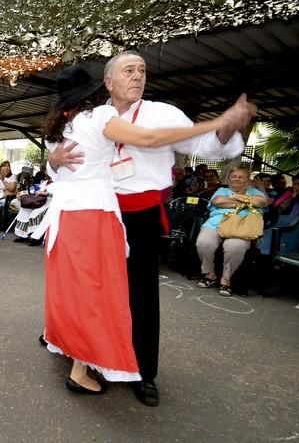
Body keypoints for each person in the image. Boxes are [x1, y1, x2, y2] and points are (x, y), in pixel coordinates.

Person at [47, 53, 254, 406]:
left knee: (140, 294)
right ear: (108, 82)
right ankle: (82, 350)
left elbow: (205, 147)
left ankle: (143, 372)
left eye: (142, 70)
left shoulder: (163, 113)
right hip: (95, 211)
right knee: (90, 291)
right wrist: (52, 159)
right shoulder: (90, 116)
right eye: (129, 70)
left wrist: (225, 125)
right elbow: (57, 158)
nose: (138, 76)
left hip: (138, 213)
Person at [195, 166, 268, 296]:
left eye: (241, 177)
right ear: (229, 178)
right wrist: (247, 202)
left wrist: (234, 198)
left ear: (247, 179)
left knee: (235, 247)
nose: (237, 179)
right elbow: (219, 202)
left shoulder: (254, 191)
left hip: (242, 226)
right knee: (204, 243)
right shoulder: (222, 190)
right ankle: (210, 274)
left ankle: (226, 280)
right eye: (234, 176)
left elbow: (262, 202)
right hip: (215, 224)